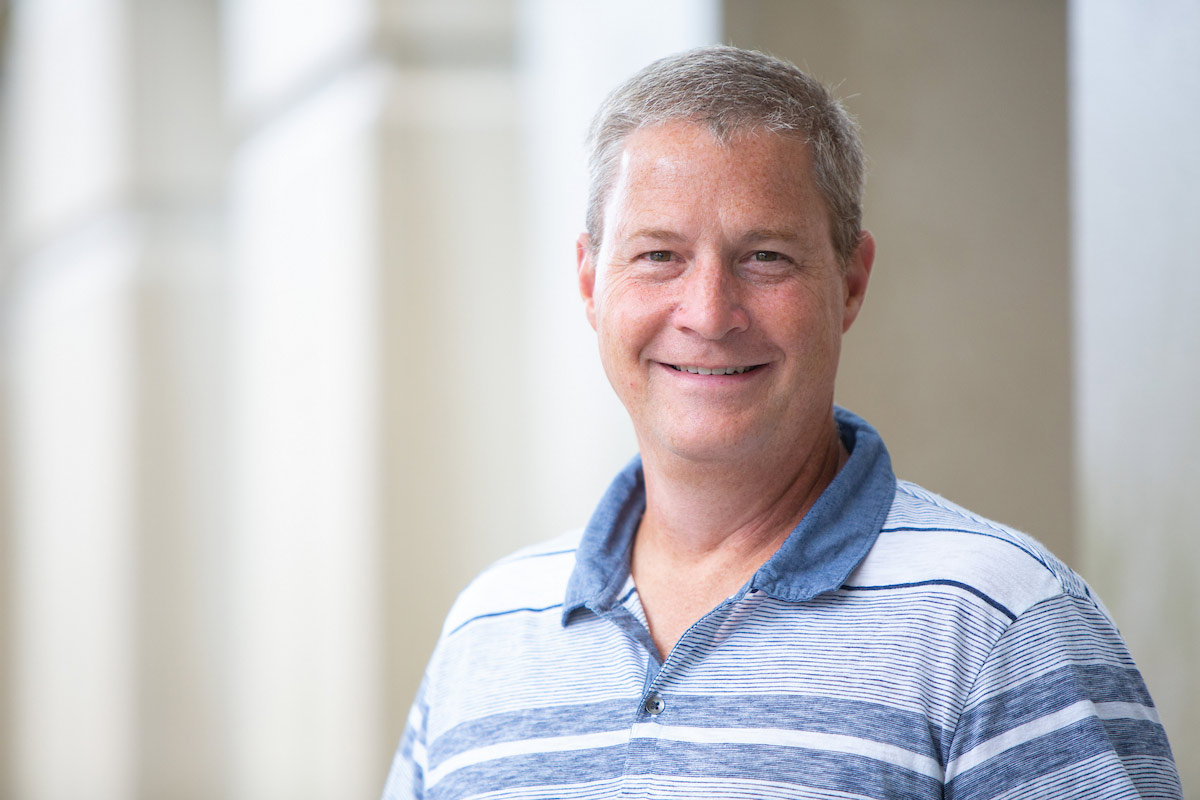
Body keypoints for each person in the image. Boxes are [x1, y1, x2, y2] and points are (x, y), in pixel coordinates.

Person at [381, 45, 1181, 799]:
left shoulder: (1000, 622)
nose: (708, 312)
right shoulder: (484, 633)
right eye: (658, 255)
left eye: (765, 257)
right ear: (592, 283)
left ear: (851, 282)